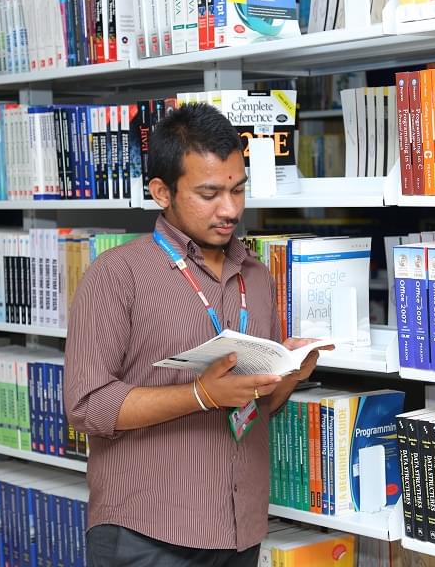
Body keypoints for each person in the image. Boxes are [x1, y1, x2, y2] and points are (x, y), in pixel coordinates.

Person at [64, 103, 323, 567]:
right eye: (208, 194)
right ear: (162, 192)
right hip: (148, 532)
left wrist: (288, 374)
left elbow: (257, 405)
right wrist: (202, 394)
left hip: (240, 526)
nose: (230, 210)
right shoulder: (117, 274)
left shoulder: (257, 277)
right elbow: (86, 406)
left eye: (238, 190)